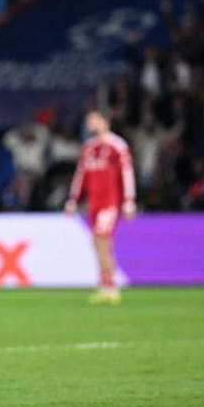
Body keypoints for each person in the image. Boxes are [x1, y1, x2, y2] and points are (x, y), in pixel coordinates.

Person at [65, 110, 137, 305]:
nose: (90, 123)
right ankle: (106, 285)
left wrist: (129, 200)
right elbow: (81, 176)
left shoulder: (117, 145)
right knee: (99, 243)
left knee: (102, 240)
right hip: (94, 204)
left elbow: (127, 173)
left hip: (110, 203)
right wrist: (73, 199)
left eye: (94, 120)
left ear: (104, 121)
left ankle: (110, 287)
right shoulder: (89, 147)